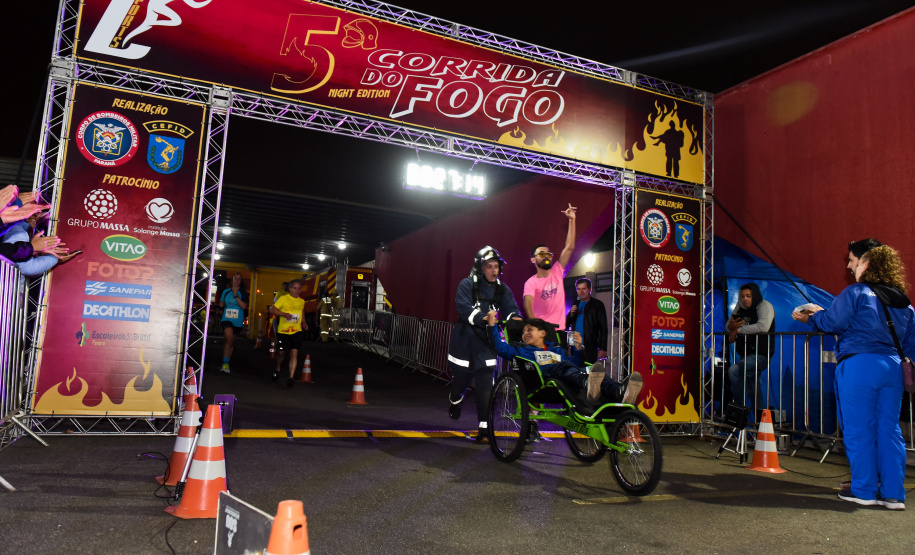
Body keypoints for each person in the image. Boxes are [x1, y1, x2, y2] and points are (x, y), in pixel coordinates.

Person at [793, 245, 912, 510]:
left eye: (854, 263)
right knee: (889, 429)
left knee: (859, 429)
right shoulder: (904, 301)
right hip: (892, 369)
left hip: (860, 365)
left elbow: (833, 323)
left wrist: (813, 315)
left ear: (867, 265)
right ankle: (894, 494)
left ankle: (864, 490)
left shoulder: (857, 292)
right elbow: (911, 343)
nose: (851, 267)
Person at [447, 246, 521, 441]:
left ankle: (484, 429)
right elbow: (463, 308)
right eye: (489, 266)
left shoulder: (502, 289)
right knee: (460, 381)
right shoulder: (466, 285)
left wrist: (516, 319)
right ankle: (455, 400)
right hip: (464, 342)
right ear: (480, 268)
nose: (493, 270)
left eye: (496, 266)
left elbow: (511, 308)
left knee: (486, 383)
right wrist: (483, 318)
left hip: (487, 343)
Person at [486, 314, 642, 406]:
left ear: (542, 333)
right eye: (523, 331)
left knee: (590, 369)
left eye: (530, 330)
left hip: (570, 377)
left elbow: (575, 364)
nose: (525, 333)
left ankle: (619, 391)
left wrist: (579, 348)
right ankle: (588, 383)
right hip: (547, 381)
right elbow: (499, 348)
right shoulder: (520, 350)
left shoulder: (557, 349)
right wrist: (492, 325)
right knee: (560, 366)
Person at [523, 203, 576, 329]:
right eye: (541, 254)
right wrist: (536, 327)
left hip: (560, 331)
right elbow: (527, 304)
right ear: (533, 260)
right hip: (543, 333)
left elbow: (570, 247)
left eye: (548, 253)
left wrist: (572, 220)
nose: (546, 255)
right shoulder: (531, 282)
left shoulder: (557, 271)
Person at [725, 283, 775, 411]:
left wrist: (738, 330)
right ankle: (759, 420)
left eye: (748, 296)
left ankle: (738, 408)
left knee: (734, 371)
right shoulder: (740, 307)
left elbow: (763, 326)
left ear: (755, 295)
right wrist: (731, 328)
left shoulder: (764, 306)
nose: (744, 299)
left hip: (761, 354)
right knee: (754, 386)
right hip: (745, 353)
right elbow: (728, 326)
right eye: (742, 296)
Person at [269, 279, 308, 388]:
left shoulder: (301, 301)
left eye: (299, 288)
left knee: (294, 353)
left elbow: (302, 312)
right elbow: (272, 310)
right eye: (294, 288)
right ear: (290, 288)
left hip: (296, 331)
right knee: (281, 353)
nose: (297, 290)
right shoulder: (283, 298)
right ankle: (277, 368)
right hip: (283, 331)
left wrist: (304, 322)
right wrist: (284, 314)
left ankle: (291, 377)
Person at [565, 277, 608, 365]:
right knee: (576, 372)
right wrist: (571, 314)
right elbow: (566, 325)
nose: (581, 291)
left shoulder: (597, 305)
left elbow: (603, 327)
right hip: (575, 346)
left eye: (584, 289)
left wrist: (603, 348)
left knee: (588, 372)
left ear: (590, 289)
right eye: (579, 289)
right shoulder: (575, 304)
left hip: (590, 346)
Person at [218, 272, 248, 373]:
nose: (237, 281)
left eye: (239, 279)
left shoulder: (243, 293)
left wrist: (236, 296)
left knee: (231, 341)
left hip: (238, 321)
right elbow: (221, 304)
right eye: (235, 278)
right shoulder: (226, 292)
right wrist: (221, 303)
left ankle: (227, 362)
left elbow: (244, 306)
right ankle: (224, 364)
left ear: (240, 281)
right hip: (227, 319)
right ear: (232, 280)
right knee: (229, 339)